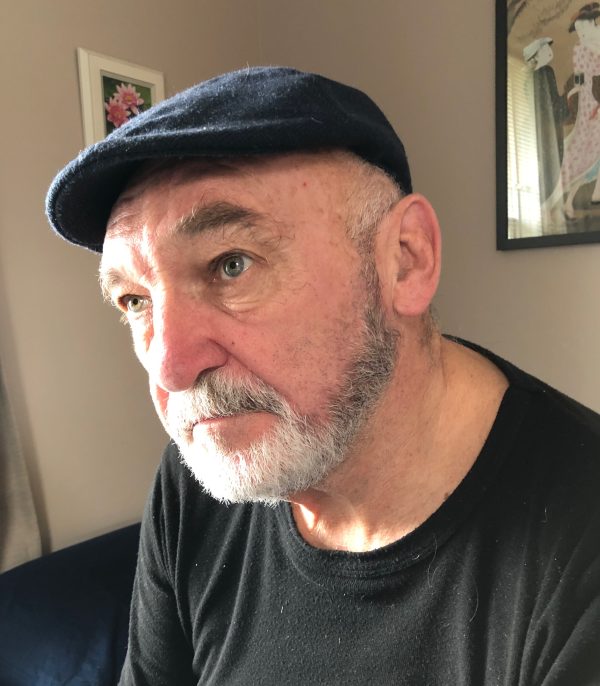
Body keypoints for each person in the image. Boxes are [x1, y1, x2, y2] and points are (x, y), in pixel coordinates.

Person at [46, 67, 600, 685]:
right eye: (135, 300)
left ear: (405, 259)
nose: (171, 369)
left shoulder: (578, 559)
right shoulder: (198, 474)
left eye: (231, 264)